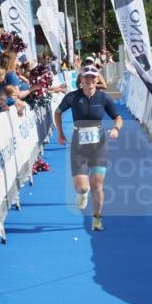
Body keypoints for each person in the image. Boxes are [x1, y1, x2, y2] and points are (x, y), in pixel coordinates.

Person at [55, 64, 123, 232]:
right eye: (87, 77)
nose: (90, 80)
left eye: (93, 77)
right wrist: (60, 134)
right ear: (81, 79)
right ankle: (82, 193)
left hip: (99, 145)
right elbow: (57, 112)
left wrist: (116, 128)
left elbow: (118, 117)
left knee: (97, 185)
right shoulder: (72, 97)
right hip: (78, 145)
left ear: (96, 79)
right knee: (83, 187)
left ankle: (97, 219)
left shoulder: (104, 98)